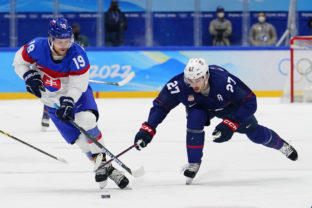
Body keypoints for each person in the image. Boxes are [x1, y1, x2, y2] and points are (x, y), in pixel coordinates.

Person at [133, 58, 298, 184]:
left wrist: (232, 122)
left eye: (197, 80)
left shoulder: (223, 81)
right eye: (190, 80)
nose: (193, 84)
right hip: (200, 107)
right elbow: (161, 105)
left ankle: (281, 145)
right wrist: (148, 127)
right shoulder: (180, 84)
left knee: (254, 134)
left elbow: (250, 101)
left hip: (229, 107)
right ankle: (193, 163)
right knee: (194, 120)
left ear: (207, 75)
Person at [12, 17, 129, 189]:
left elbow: (78, 85)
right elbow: (18, 63)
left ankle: (102, 165)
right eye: (60, 41)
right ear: (51, 39)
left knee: (87, 121)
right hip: (51, 101)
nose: (64, 45)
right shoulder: (36, 46)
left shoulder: (78, 55)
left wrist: (69, 101)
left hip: (77, 95)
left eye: (67, 40)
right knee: (81, 141)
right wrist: (28, 76)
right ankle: (107, 167)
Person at [40, 22, 90, 131]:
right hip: (55, 72)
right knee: (52, 90)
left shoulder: (77, 44)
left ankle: (76, 115)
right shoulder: (52, 44)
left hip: (67, 73)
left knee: (72, 92)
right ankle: (46, 113)